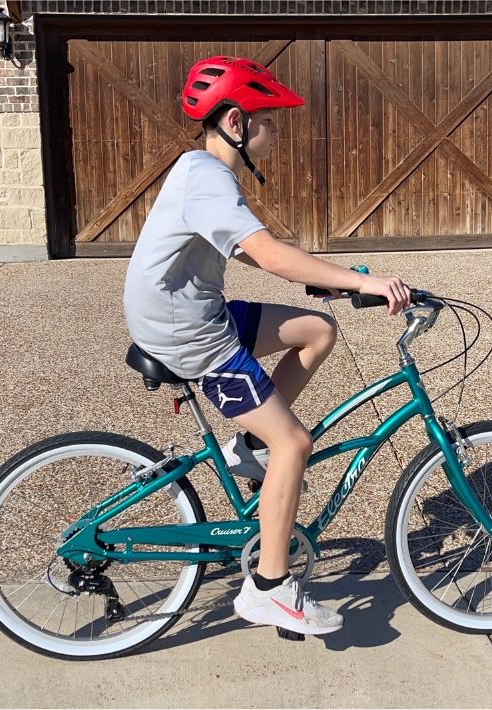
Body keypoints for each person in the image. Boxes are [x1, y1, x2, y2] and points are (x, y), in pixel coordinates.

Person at [123, 56, 411, 636]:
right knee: (296, 442)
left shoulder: (205, 173)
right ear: (236, 123)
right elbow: (270, 255)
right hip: (189, 332)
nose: (275, 129)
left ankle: (245, 445)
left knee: (316, 329)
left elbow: (255, 253)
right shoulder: (204, 175)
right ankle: (270, 589)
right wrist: (365, 281)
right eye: (268, 119)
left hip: (195, 312)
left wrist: (326, 280)